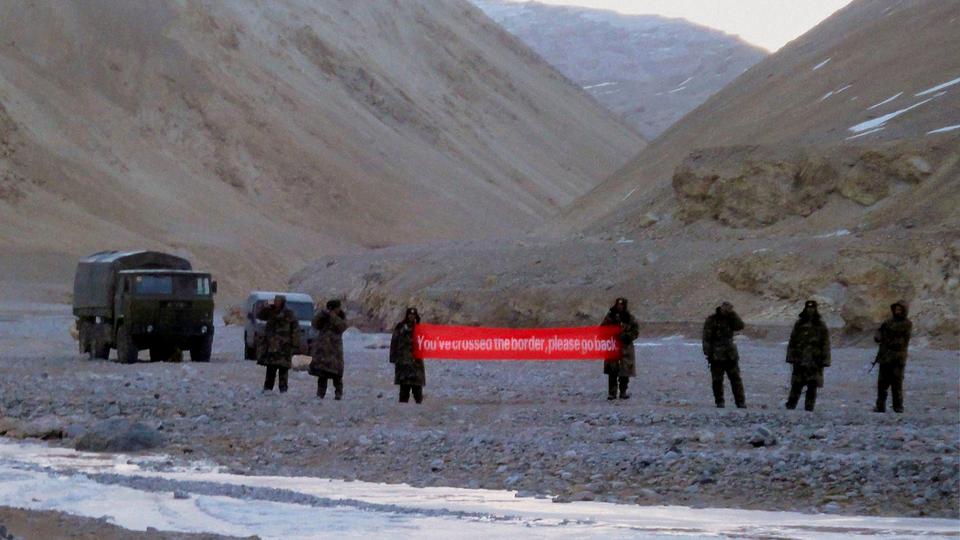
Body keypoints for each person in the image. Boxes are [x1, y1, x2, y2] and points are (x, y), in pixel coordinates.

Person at [785, 300, 830, 411]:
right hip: (800, 360)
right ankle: (791, 405)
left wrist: (825, 360)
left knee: (812, 386)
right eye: (808, 308)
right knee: (796, 385)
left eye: (812, 308)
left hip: (815, 361)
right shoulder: (799, 324)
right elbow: (792, 341)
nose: (810, 310)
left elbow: (825, 344)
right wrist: (790, 357)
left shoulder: (820, 325)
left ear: (815, 309)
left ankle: (809, 408)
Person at [702, 301, 746, 408]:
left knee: (736, 379)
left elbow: (740, 326)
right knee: (717, 381)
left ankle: (740, 402)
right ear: (721, 308)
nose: (727, 311)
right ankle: (719, 402)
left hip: (730, 355)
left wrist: (733, 314)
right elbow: (706, 338)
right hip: (716, 356)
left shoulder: (731, 319)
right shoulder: (712, 320)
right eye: (726, 309)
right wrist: (708, 353)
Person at [256, 295, 301, 393]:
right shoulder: (269, 311)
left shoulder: (289, 313)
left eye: (278, 301)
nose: (276, 302)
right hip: (271, 345)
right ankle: (268, 388)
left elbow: (295, 329)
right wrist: (266, 304)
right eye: (275, 300)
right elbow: (259, 315)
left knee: (283, 368)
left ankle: (283, 389)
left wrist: (295, 343)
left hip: (284, 346)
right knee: (270, 368)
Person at [873, 301, 912, 413]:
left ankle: (898, 407)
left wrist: (887, 340)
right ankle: (880, 406)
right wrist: (878, 337)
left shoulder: (906, 324)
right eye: (896, 309)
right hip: (885, 357)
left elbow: (901, 341)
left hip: (897, 358)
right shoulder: (888, 322)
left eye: (899, 310)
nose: (897, 312)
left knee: (897, 384)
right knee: (882, 384)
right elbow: (879, 332)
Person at [309, 300, 348, 400]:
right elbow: (315, 324)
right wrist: (322, 314)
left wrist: (332, 316)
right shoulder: (324, 317)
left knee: (337, 374)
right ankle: (320, 394)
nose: (339, 309)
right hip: (323, 350)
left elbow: (342, 327)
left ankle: (338, 394)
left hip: (335, 351)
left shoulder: (341, 317)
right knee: (322, 374)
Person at [601, 297, 639, 400]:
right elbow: (602, 329)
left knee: (625, 371)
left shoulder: (629, 318)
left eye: (622, 305)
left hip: (625, 348)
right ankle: (612, 393)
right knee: (612, 370)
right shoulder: (610, 317)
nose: (620, 307)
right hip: (613, 347)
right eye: (618, 304)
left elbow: (635, 331)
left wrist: (626, 336)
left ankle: (623, 391)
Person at [390, 307, 425, 404]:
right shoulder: (400, 327)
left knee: (417, 391)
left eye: (413, 315)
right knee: (404, 390)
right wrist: (393, 358)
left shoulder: (419, 328)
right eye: (410, 314)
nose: (411, 316)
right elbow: (394, 343)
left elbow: (424, 344)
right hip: (403, 363)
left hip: (415, 365)